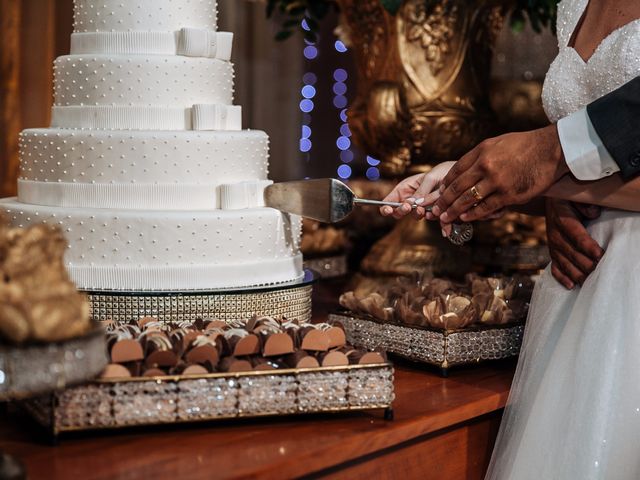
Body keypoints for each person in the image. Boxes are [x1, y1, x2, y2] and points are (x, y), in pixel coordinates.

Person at [381, 0, 640, 478]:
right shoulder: (573, 6)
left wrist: (541, 177)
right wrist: (507, 183)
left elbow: (561, 156)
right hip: (575, 296)